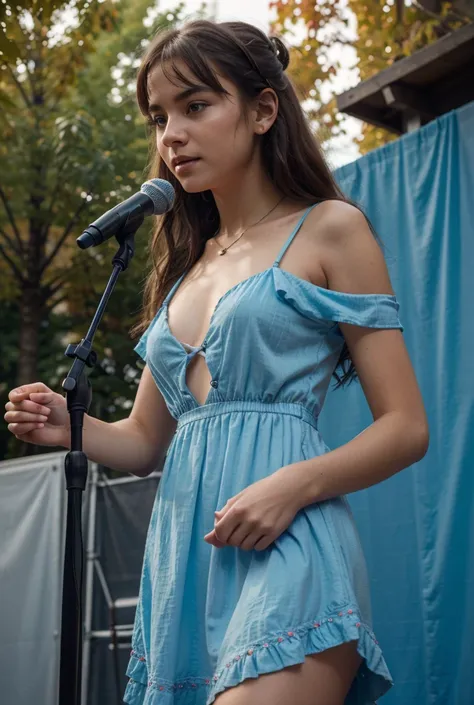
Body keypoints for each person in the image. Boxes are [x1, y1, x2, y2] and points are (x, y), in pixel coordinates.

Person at [4, 18, 429, 705]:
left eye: (196, 106)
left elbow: (407, 426)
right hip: (185, 561)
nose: (170, 134)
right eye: (158, 116)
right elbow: (144, 442)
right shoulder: (183, 270)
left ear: (263, 110)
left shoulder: (329, 228)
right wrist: (68, 424)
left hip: (290, 546)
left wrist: (292, 485)